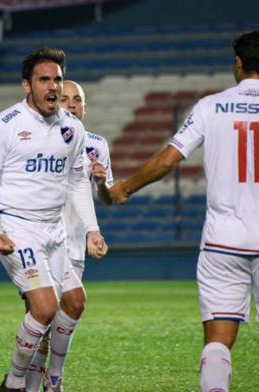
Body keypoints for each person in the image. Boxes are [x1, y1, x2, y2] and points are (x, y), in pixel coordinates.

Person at [109, 30, 259, 392]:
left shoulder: (211, 106)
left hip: (224, 242)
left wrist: (125, 188)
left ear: (238, 65)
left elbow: (168, 160)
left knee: (218, 343)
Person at [0, 48, 107, 392]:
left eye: (57, 79)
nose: (53, 87)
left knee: (76, 302)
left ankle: (54, 378)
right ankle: (15, 382)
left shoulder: (72, 128)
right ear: (27, 86)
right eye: (44, 79)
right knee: (45, 307)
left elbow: (79, 181)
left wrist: (92, 230)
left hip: (56, 231)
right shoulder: (4, 126)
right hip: (18, 228)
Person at [25, 80, 113, 392]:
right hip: (40, 241)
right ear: (54, 103)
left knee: (59, 318)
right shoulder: (35, 141)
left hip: (75, 243)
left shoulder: (97, 145)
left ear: (85, 107)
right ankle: (49, 381)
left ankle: (39, 382)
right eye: (65, 99)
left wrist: (101, 183)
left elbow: (106, 197)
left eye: (78, 99)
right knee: (56, 310)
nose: (72, 104)